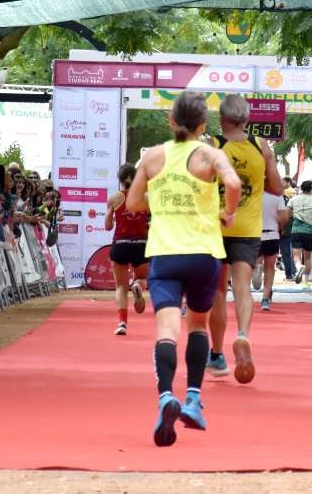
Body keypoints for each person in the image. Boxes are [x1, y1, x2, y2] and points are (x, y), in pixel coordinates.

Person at [122, 91, 241, 447]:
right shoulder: (210, 154)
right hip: (205, 253)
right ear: (203, 125)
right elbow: (233, 184)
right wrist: (228, 212)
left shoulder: (153, 157)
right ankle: (192, 399)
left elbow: (132, 202)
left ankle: (164, 398)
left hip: (165, 254)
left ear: (170, 121)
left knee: (166, 331)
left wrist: (158, 201)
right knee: (200, 325)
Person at [206, 94, 282, 384]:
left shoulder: (212, 146)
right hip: (249, 229)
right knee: (242, 287)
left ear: (221, 119)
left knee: (216, 293)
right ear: (247, 119)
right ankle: (243, 335)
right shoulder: (261, 146)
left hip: (217, 227)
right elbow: (276, 187)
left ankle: (216, 353)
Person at [106, 163, 151, 335]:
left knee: (120, 287)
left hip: (120, 244)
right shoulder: (145, 198)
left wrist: (111, 213)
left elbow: (108, 226)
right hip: (140, 244)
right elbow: (149, 223)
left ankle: (122, 323)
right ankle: (138, 285)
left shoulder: (114, 199)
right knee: (142, 277)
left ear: (120, 180)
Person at [256, 190, 288, 310]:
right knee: (270, 268)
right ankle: (265, 299)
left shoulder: (254, 192)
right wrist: (280, 227)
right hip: (272, 234)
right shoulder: (277, 195)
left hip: (255, 234)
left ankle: (257, 269)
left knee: (256, 261)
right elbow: (283, 217)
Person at [289, 180, 312, 283]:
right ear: (310, 189)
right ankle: (305, 281)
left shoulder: (293, 199)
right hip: (309, 231)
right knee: (308, 258)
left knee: (296, 255)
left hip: (296, 230)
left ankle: (298, 266)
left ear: (301, 188)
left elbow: (288, 212)